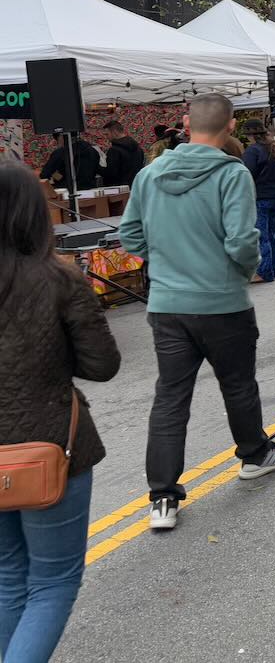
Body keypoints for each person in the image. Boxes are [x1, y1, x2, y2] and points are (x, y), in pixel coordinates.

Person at [118, 93, 275, 533]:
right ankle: (254, 455)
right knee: (237, 384)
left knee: (170, 398)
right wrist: (238, 273)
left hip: (168, 303)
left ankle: (162, 497)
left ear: (187, 124)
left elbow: (129, 234)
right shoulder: (230, 173)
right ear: (231, 127)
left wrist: (164, 262)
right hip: (220, 300)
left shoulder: (149, 175)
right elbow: (243, 241)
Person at [0, 163, 121, 660]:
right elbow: (103, 365)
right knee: (52, 582)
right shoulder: (60, 279)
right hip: (51, 445)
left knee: (9, 577)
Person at [239, 119, 275, 283]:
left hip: (259, 196)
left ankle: (264, 272)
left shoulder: (253, 151)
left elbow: (246, 174)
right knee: (272, 234)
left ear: (250, 135)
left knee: (261, 235)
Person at [100, 120, 143, 188]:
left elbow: (111, 174)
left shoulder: (114, 150)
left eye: (107, 134)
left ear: (115, 132)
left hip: (119, 190)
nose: (106, 137)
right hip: (136, 187)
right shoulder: (138, 148)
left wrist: (98, 168)